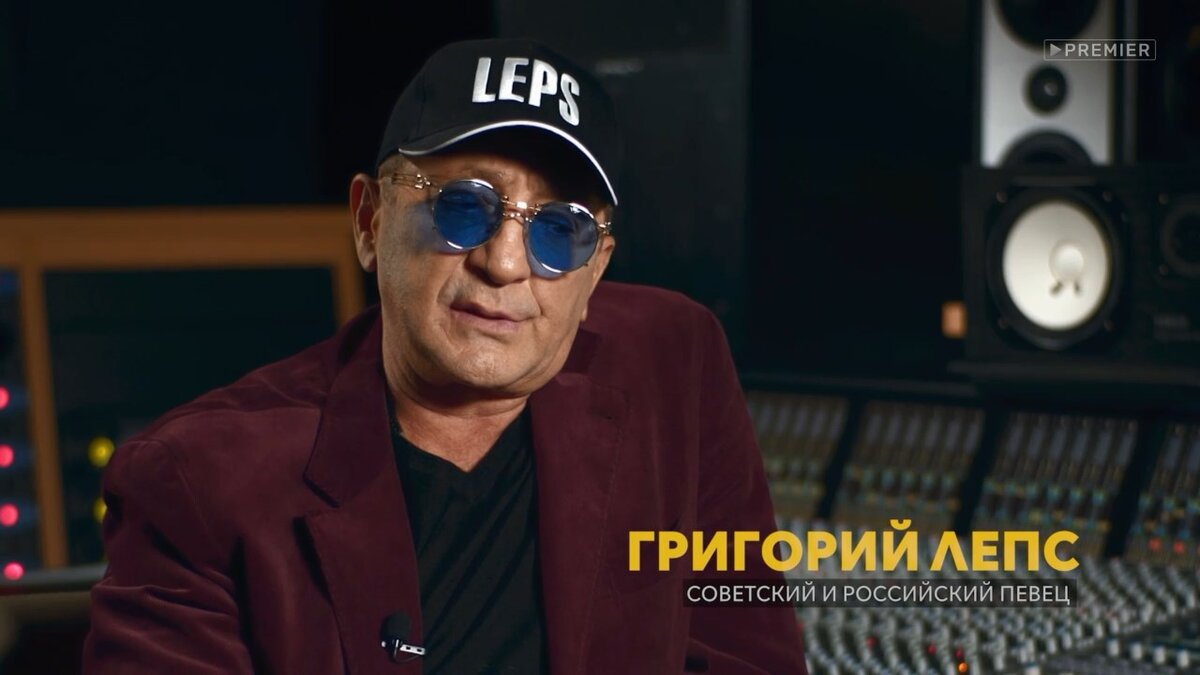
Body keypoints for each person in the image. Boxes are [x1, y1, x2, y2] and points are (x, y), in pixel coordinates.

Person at [83, 38, 807, 674]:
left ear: (596, 272)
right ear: (370, 222)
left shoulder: (674, 363)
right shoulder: (199, 481)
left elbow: (746, 654)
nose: (505, 263)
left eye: (559, 231)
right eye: (465, 206)